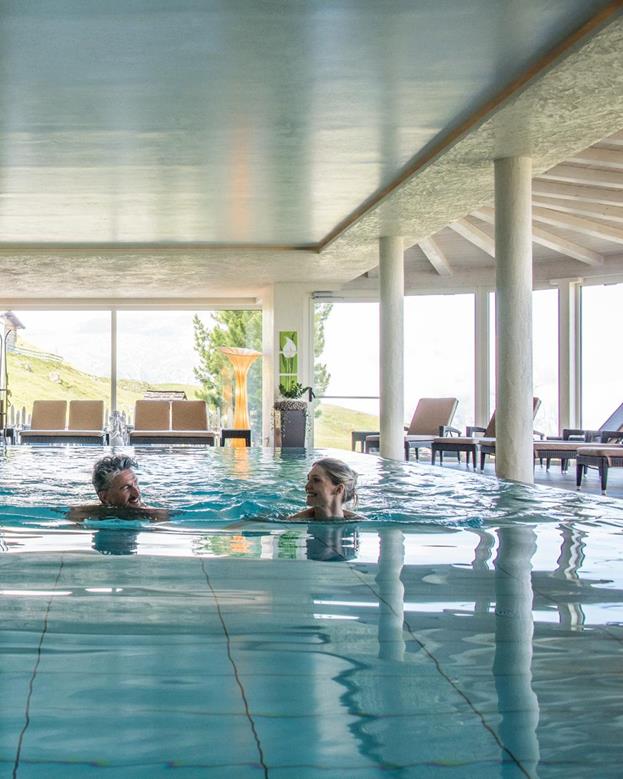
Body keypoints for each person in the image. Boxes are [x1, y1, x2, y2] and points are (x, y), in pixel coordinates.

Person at [67, 455, 169, 522]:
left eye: (136, 484)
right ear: (105, 497)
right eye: (126, 487)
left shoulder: (156, 514)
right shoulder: (80, 514)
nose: (137, 494)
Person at [288, 458, 361, 520]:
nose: (307, 486)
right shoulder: (293, 521)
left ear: (338, 489)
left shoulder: (360, 523)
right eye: (308, 480)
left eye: (316, 480)